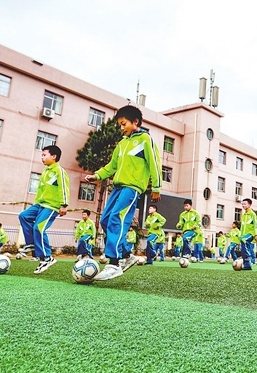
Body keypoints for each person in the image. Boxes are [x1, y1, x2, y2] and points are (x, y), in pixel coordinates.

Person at [84, 105, 162, 281]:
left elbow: (154, 164)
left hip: (132, 188)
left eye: (123, 123)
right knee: (105, 220)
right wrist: (97, 175)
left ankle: (114, 263)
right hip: (118, 188)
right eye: (119, 125)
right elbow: (111, 167)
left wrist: (156, 187)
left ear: (135, 122)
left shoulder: (145, 139)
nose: (121, 128)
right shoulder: (122, 144)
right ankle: (127, 255)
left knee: (116, 219)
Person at [18, 145, 69, 274]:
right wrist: (36, 204)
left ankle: (47, 258)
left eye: (44, 155)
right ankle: (31, 244)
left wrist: (64, 205)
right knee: (23, 216)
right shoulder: (46, 171)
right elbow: (41, 190)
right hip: (40, 205)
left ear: (54, 156)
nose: (42, 157)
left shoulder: (59, 171)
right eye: (41, 155)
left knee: (39, 228)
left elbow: (64, 188)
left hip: (52, 206)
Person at [239, 198, 257, 270]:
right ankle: (247, 265)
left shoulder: (252, 214)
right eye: (242, 204)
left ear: (249, 205)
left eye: (245, 204)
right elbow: (242, 227)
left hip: (251, 233)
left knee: (244, 240)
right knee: (243, 249)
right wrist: (240, 236)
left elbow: (256, 224)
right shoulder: (244, 215)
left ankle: (249, 259)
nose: (243, 205)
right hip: (244, 235)